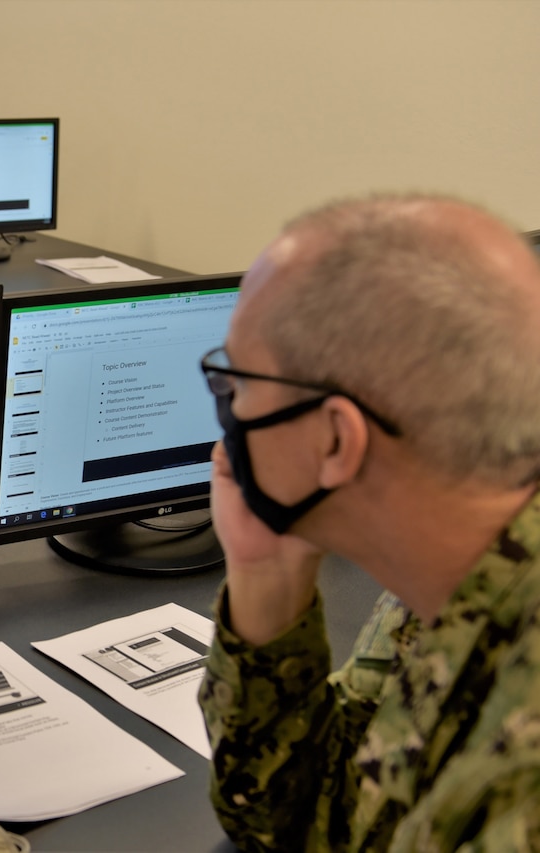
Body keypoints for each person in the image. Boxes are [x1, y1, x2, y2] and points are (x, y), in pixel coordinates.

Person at [196, 192, 540, 851]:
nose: (230, 411)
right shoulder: (440, 578)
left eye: (235, 382)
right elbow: (315, 820)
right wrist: (266, 572)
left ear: (334, 441)